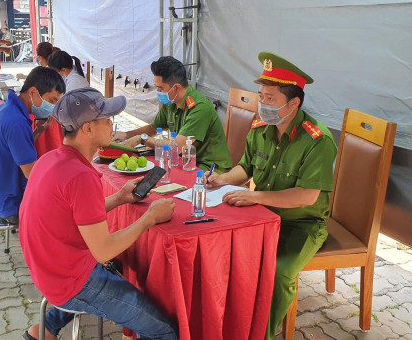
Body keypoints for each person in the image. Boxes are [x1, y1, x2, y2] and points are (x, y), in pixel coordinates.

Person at [19, 87, 178, 340]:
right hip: (70, 280)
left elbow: (73, 214)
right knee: (164, 331)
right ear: (87, 129)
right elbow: (103, 250)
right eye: (106, 120)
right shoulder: (81, 176)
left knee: (116, 265)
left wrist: (119, 198)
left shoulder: (51, 159)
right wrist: (150, 218)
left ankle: (46, 328)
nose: (111, 125)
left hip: (47, 269)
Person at [205, 52, 337, 340]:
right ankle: (228, 325)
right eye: (260, 96)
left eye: (270, 99)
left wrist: (255, 197)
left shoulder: (317, 140)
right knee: (225, 252)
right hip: (262, 216)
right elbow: (247, 166)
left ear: (294, 104)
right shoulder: (260, 127)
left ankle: (261, 334)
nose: (262, 104)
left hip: (301, 224)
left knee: (277, 273)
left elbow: (306, 196)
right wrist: (223, 180)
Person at [114, 56, 232, 173]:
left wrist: (141, 139)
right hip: (183, 161)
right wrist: (125, 135)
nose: (158, 92)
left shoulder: (200, 108)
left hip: (207, 168)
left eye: (160, 88)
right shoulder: (171, 101)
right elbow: (152, 128)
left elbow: (176, 148)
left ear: (176, 87)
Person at [0, 66, 65, 225]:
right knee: (66, 211)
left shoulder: (4, 110)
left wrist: (37, 132)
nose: (53, 107)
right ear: (33, 92)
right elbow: (32, 173)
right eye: (51, 100)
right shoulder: (16, 122)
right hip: (11, 204)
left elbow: (13, 150)